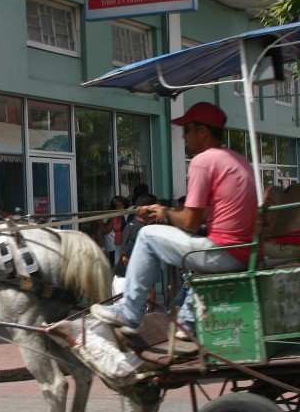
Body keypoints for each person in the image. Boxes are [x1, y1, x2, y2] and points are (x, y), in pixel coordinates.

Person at [91, 102, 258, 333]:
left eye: (187, 130)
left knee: (148, 235)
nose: (184, 137)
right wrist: (167, 213)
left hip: (222, 253)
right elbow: (208, 214)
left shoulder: (204, 161)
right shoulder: (239, 161)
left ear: (202, 131)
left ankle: (128, 312)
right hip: (244, 253)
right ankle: (187, 324)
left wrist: (163, 213)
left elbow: (190, 221)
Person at [112, 192, 157, 295]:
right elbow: (126, 258)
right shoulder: (140, 231)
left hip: (120, 280)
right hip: (127, 283)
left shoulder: (130, 225)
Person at [97, 195, 129, 266]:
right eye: (116, 206)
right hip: (117, 246)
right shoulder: (115, 218)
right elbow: (106, 231)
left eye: (120, 206)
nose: (117, 208)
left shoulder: (127, 217)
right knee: (117, 267)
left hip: (125, 245)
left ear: (124, 207)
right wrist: (101, 223)